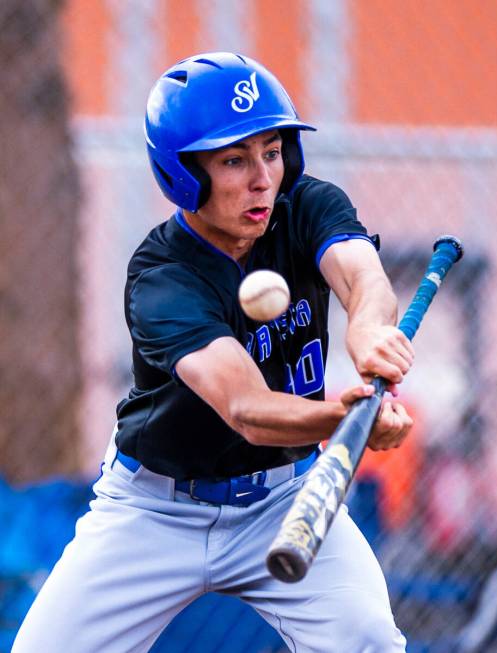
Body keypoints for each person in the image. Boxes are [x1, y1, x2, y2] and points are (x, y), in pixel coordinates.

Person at [13, 52, 414, 653]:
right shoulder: (162, 278)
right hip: (155, 511)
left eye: (272, 152)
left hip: (286, 498)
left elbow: (361, 278)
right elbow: (247, 409)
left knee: (369, 640)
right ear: (184, 175)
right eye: (233, 160)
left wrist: (368, 332)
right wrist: (348, 416)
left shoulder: (305, 205)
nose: (262, 178)